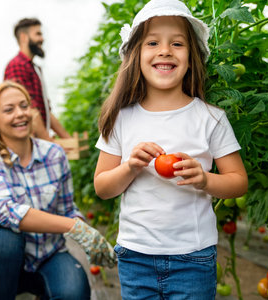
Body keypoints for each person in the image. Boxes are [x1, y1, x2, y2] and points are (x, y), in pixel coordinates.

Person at [93, 0, 248, 299]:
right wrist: (129, 167)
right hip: (135, 255)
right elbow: (102, 187)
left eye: (177, 43)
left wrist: (205, 179)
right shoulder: (121, 118)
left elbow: (238, 181)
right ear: (137, 55)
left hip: (193, 256)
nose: (165, 50)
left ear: (191, 58)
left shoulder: (210, 118)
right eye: (153, 42)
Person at [0, 81, 115, 300]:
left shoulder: (54, 154)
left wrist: (84, 232)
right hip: (9, 263)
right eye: (9, 110)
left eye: (24, 106)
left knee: (74, 293)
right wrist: (75, 227)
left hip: (50, 254)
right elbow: (5, 210)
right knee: (4, 240)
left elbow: (67, 209)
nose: (20, 114)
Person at [4, 17, 70, 141]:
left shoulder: (34, 68)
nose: (42, 39)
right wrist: (49, 143)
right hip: (27, 144)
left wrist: (67, 139)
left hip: (38, 143)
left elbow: (45, 110)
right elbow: (30, 109)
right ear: (24, 37)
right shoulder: (17, 65)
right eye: (38, 34)